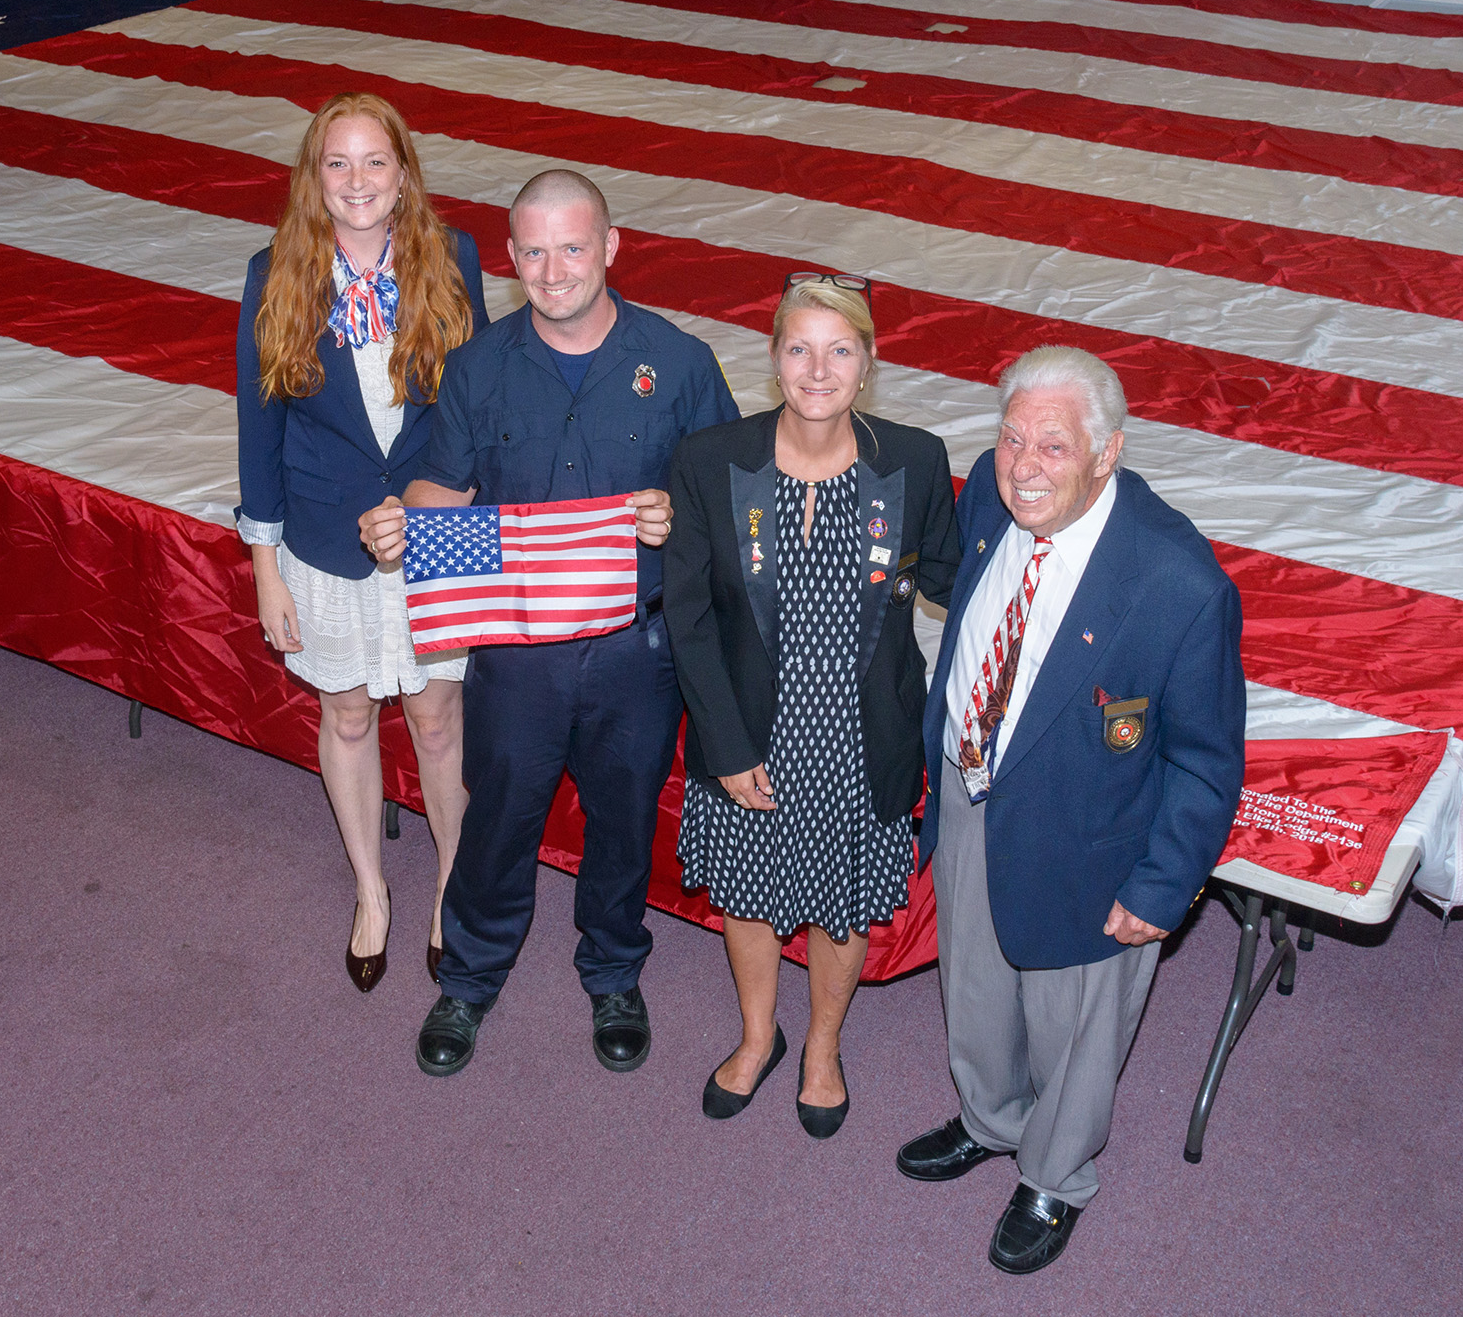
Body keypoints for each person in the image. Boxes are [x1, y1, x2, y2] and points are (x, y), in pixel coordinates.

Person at [360, 169, 738, 1077]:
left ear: (612, 246)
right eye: (533, 249)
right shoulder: (479, 366)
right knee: (499, 820)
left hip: (634, 652)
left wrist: (677, 518)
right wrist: (402, 522)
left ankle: (612, 967)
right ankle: (471, 976)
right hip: (517, 653)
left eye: (574, 246)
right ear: (510, 257)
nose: (554, 268)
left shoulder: (680, 363)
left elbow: (731, 501)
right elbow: (441, 485)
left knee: (621, 818)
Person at [896, 346, 1245, 1275]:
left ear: (1108, 453)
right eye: (1012, 439)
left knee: (1074, 1029)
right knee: (973, 989)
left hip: (1094, 847)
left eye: (1053, 446)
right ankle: (991, 1118)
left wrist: (1165, 886)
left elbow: (1208, 764)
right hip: (974, 794)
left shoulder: (1177, 587)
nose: (1023, 466)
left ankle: (1055, 1175)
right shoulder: (986, 500)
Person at [664, 273, 959, 1138]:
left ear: (867, 365)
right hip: (750, 730)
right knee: (750, 896)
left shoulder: (914, 459)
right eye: (799, 348)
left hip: (860, 736)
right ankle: (759, 1035)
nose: (818, 369)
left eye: (839, 350)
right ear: (773, 359)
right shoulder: (710, 461)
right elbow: (686, 618)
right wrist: (722, 745)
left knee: (843, 897)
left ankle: (823, 1046)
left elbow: (955, 575)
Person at [235, 92, 487, 996]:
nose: (356, 181)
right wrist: (266, 573)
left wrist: (449, 512)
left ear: (405, 172)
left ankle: (452, 888)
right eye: (335, 163)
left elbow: (478, 408)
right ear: (314, 179)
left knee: (438, 718)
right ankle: (372, 892)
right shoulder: (274, 275)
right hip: (323, 544)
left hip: (438, 531)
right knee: (346, 715)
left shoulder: (453, 260)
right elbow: (257, 438)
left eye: (373, 161)